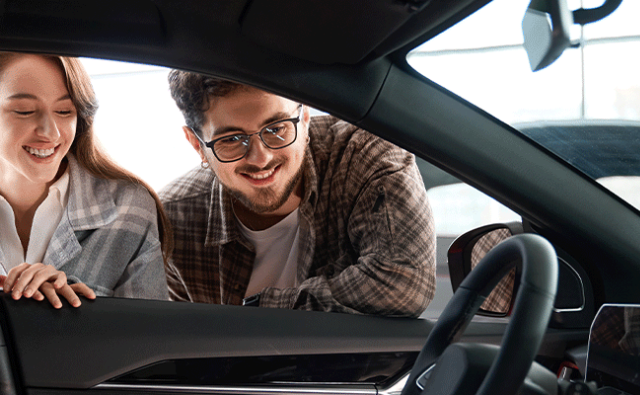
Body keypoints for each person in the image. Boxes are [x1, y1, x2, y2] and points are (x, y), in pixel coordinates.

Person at [162, 70, 436, 317]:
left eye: (276, 128)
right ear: (197, 145)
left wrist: (256, 315)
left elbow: (405, 284)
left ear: (304, 118)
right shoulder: (173, 219)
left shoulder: (363, 155)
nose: (261, 158)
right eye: (232, 139)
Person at [0, 51, 171, 308]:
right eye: (24, 111)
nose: (51, 132)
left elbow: (145, 339)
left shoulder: (129, 207)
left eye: (64, 110)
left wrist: (77, 316)